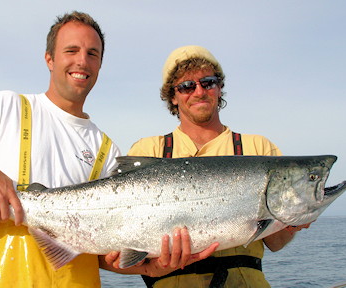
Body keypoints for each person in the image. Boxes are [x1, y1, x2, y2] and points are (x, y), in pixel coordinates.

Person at [0, 13, 218, 287]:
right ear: (49, 59)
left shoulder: (107, 150)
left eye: (92, 54)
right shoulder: (6, 107)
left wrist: (148, 265)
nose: (82, 60)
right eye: (72, 50)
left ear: (99, 65)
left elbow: (103, 257)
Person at [126, 45, 311, 288]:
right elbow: (127, 251)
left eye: (208, 82)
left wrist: (293, 219)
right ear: (173, 96)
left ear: (219, 87)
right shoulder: (148, 150)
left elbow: (275, 243)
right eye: (186, 86)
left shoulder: (258, 148)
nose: (199, 91)